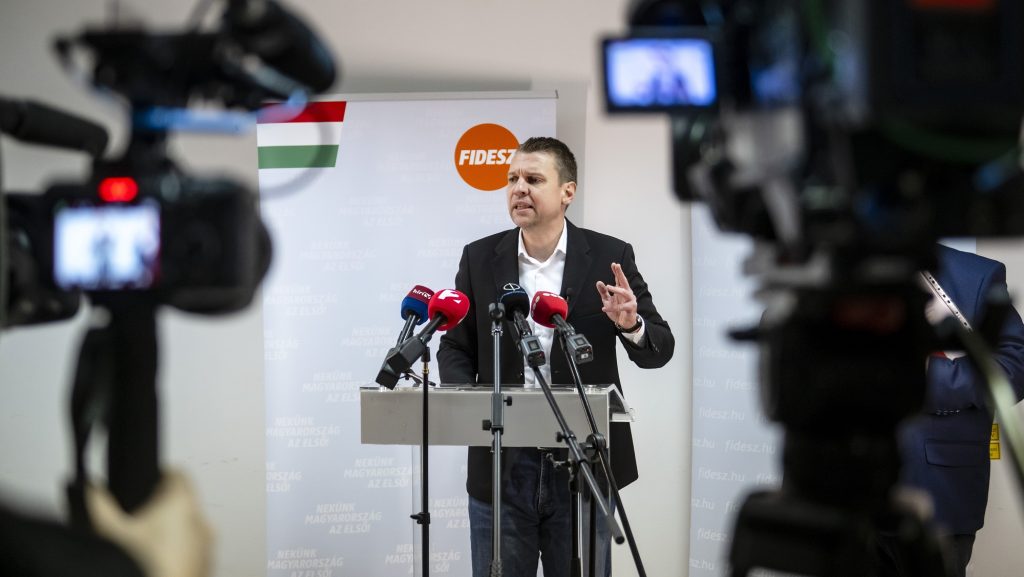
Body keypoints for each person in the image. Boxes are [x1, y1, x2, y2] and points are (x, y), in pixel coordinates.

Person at [437, 137, 674, 577]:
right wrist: (471, 405)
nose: (518, 189)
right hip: (502, 461)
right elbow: (455, 345)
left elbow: (659, 348)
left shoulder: (610, 256)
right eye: (512, 179)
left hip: (584, 462)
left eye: (533, 179)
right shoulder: (479, 257)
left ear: (568, 191)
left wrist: (631, 325)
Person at [877, 244, 1024, 577]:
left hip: (940, 490)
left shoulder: (976, 274)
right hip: (844, 493)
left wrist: (926, 378)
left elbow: (1015, 367)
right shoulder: (829, 271)